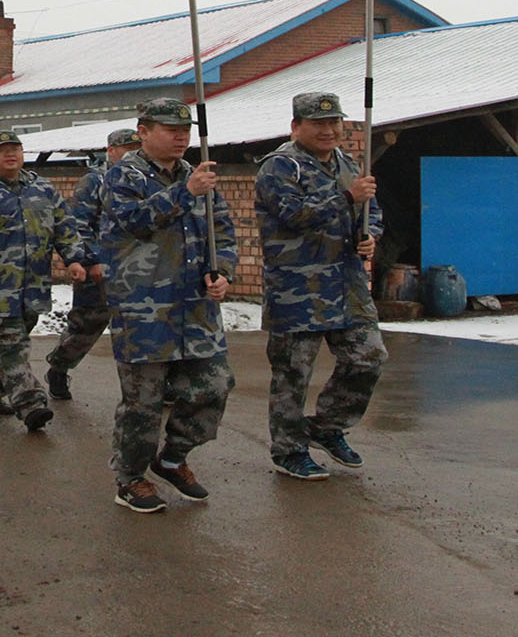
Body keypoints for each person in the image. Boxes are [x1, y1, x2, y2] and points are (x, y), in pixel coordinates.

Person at [99, 98, 238, 515]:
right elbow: (134, 221)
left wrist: (223, 270)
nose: (181, 136)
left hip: (195, 306)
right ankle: (130, 478)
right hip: (145, 306)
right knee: (144, 401)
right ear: (143, 131)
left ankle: (174, 456)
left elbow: (222, 229)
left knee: (214, 386)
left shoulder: (199, 176)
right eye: (169, 129)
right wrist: (184, 192)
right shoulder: (123, 175)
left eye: (185, 130)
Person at [256, 92, 385, 480]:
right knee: (293, 374)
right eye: (318, 123)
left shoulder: (348, 163)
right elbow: (295, 215)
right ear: (297, 126)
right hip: (298, 285)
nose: (329, 131)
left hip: (346, 283)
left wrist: (370, 234)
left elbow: (371, 210)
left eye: (334, 123)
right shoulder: (280, 167)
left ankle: (327, 426)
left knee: (368, 357)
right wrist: (346, 197)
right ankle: (289, 450)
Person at [0, 129, 89, 432]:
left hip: (35, 283)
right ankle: (30, 403)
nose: (11, 154)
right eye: (2, 150)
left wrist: (74, 259)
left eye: (16, 148)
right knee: (13, 344)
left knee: (6, 342)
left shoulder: (42, 188)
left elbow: (64, 227)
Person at [45, 128, 140, 400]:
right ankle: (59, 366)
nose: (133, 153)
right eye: (127, 148)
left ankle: (149, 388)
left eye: (137, 147)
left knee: (142, 329)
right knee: (86, 326)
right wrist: (93, 259)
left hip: (137, 269)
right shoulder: (96, 180)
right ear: (111, 151)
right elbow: (79, 224)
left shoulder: (143, 178)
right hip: (101, 267)